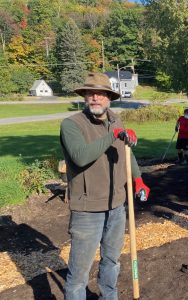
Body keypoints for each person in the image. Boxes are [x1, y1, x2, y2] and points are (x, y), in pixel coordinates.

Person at [60, 72, 150, 299]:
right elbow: (80, 157)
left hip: (117, 206)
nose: (95, 98)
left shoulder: (115, 121)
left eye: (100, 94)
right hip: (87, 210)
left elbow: (127, 153)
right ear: (85, 96)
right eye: (91, 94)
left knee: (111, 261)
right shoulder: (72, 125)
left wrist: (138, 179)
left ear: (109, 98)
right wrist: (113, 135)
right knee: (78, 277)